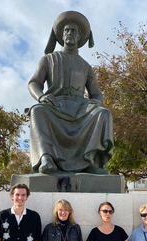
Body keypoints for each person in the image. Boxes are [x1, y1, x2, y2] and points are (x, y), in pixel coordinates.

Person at [27, 11, 113, 174]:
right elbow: (34, 83)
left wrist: (97, 102)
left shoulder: (86, 66)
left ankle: (89, 161)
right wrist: (42, 96)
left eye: (74, 31)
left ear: (80, 36)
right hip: (55, 106)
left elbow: (96, 93)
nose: (69, 33)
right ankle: (46, 158)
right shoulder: (48, 59)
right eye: (66, 30)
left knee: (104, 113)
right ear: (61, 35)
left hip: (80, 109)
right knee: (37, 110)